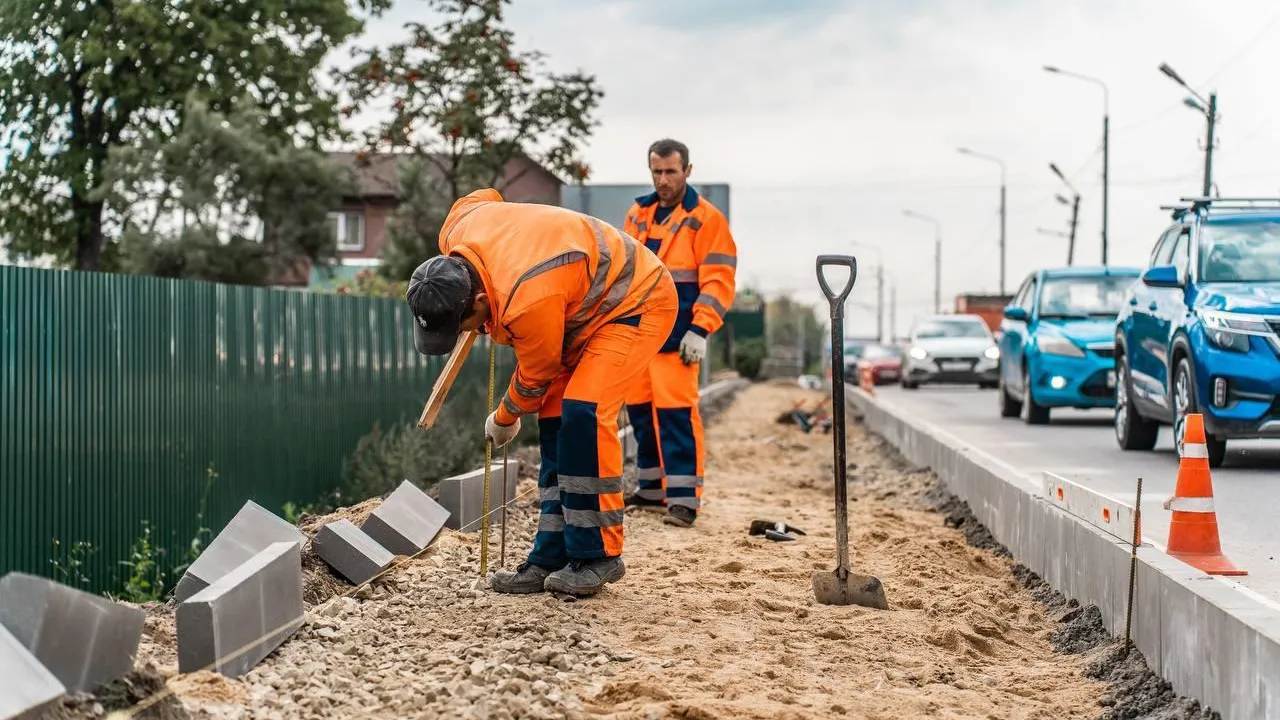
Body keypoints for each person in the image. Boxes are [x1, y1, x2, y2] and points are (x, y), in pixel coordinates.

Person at [406, 188, 678, 597]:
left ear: (480, 298)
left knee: (584, 411)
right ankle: (550, 554)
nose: (469, 333)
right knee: (553, 421)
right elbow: (484, 196)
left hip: (634, 302)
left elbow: (537, 375)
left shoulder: (525, 299)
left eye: (466, 324)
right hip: (573, 309)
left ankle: (598, 554)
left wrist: (503, 417)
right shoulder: (457, 231)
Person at [621, 138, 738, 528]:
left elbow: (718, 280)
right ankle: (652, 489)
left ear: (688, 171)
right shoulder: (638, 214)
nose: (663, 179)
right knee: (639, 413)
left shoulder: (706, 219)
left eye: (671, 171)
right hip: (639, 333)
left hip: (678, 336)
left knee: (676, 415)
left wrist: (700, 330)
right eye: (657, 171)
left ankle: (684, 499)